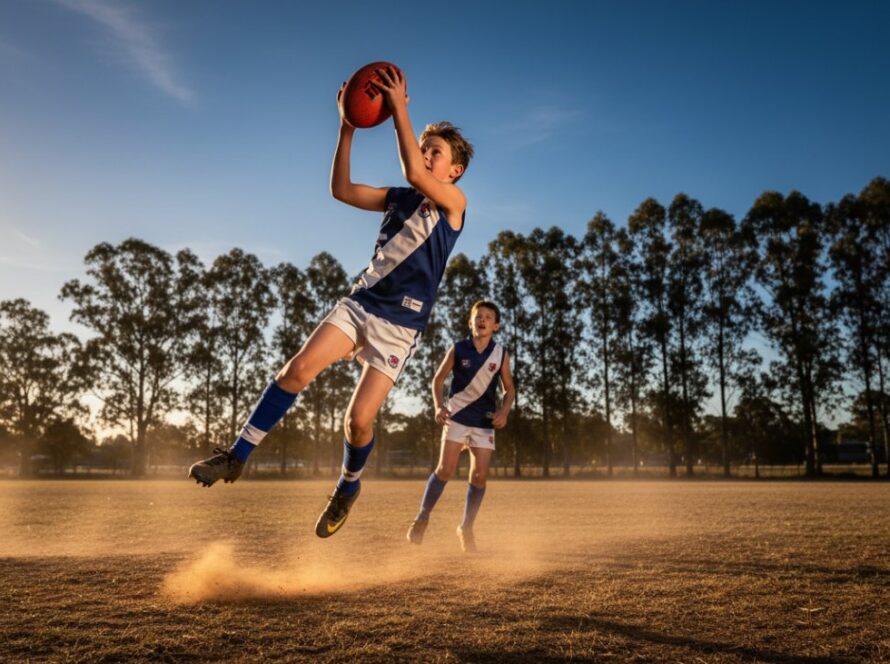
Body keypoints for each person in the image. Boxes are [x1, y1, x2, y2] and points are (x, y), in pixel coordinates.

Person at [188, 66, 474, 539]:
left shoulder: (453, 204)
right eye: (424, 149)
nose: (426, 156)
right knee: (294, 372)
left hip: (401, 326)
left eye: (435, 153)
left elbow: (410, 170)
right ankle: (236, 456)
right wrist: (347, 126)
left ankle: (348, 485)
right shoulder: (399, 198)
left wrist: (399, 108)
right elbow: (340, 190)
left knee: (358, 422)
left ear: (454, 170)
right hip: (361, 303)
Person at [407, 300, 515, 552]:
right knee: (445, 469)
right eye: (478, 316)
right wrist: (437, 405)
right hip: (456, 416)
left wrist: (504, 411)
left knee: (480, 476)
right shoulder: (458, 349)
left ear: (496, 326)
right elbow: (438, 379)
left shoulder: (501, 354)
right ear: (470, 323)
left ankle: (465, 527)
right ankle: (422, 517)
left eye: (489, 317)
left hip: (484, 421)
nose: (483, 319)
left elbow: (509, 390)